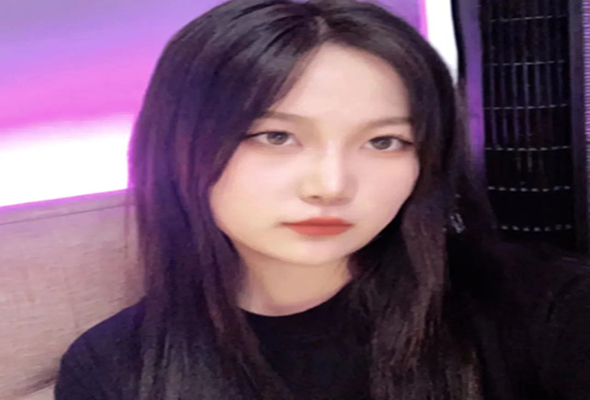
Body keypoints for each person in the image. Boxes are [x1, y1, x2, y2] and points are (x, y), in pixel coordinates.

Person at [54, 0, 590, 399]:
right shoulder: (116, 368)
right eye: (276, 136)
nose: (331, 185)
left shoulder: (545, 310)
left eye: (384, 142)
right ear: (178, 145)